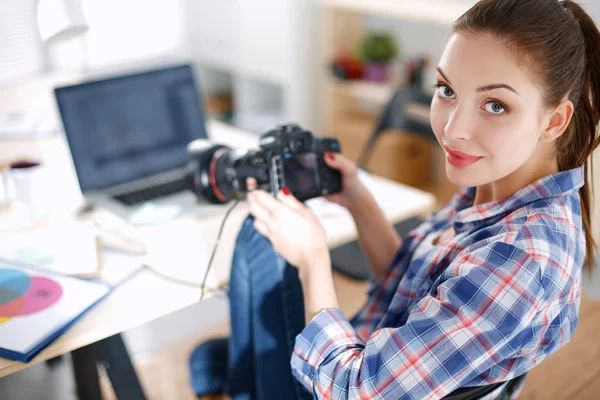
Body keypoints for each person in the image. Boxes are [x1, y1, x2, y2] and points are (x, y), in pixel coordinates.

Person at [189, 0, 600, 398]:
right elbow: (412, 284)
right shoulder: (498, 189)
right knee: (210, 357)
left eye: (495, 105)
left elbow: (355, 391)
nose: (454, 129)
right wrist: (358, 200)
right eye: (446, 90)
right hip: (376, 357)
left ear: (554, 120)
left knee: (255, 240)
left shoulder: (523, 259)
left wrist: (313, 260)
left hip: (346, 384)